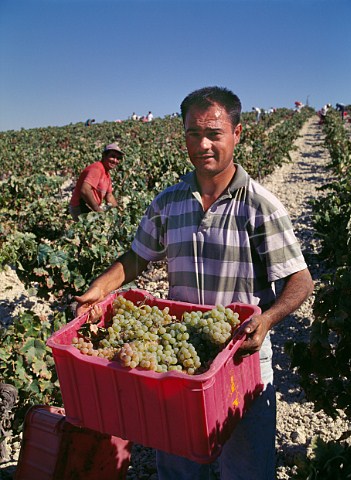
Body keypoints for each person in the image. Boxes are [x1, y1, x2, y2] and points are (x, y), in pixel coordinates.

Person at [75, 86, 314, 479]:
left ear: (237, 134)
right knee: (180, 467)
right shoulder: (168, 202)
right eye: (192, 133)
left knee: (248, 470)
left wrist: (268, 320)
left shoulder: (259, 205)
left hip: (242, 362)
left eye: (214, 133)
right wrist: (99, 289)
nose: (202, 144)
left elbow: (300, 280)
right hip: (181, 365)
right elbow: (136, 257)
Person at [69, 143, 124, 222]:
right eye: (112, 156)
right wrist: (97, 210)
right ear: (104, 156)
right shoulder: (97, 168)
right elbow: (85, 190)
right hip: (80, 207)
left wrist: (119, 211)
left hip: (89, 207)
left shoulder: (106, 174)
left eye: (118, 158)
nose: (115, 160)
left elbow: (109, 196)